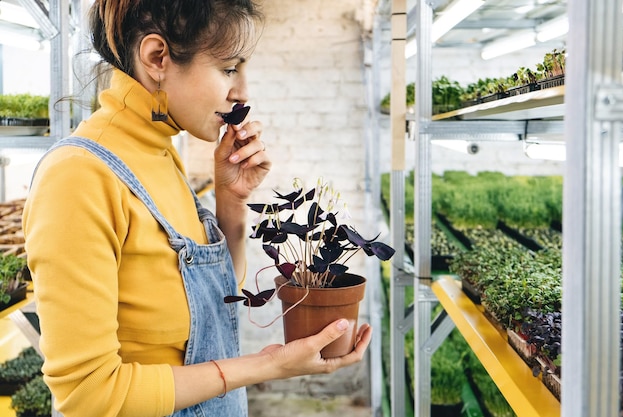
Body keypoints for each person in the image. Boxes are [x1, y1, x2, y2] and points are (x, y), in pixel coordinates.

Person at [22, 1, 372, 416]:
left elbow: (214, 305)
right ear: (157, 58)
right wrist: (268, 364)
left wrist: (232, 200)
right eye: (228, 69)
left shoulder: (160, 152)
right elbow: (89, 395)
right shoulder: (78, 178)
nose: (242, 92)